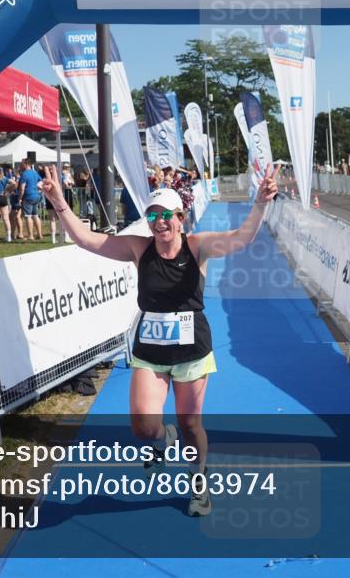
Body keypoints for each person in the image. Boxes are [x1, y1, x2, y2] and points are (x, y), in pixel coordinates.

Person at [39, 163, 278, 517]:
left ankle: (199, 483)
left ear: (181, 218)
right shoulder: (139, 248)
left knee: (191, 425)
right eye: (153, 215)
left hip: (192, 352)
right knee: (144, 427)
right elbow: (87, 240)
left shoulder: (198, 246)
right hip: (150, 352)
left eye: (167, 214)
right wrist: (59, 201)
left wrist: (260, 204)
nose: (160, 221)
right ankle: (162, 439)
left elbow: (242, 238)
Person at [17, 159, 43, 242]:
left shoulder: (24, 174)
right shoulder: (34, 172)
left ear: (26, 164)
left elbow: (22, 188)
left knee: (28, 216)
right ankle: (39, 234)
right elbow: (41, 181)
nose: (20, 166)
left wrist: (20, 198)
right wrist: (39, 190)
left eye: (21, 164)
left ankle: (31, 235)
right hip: (36, 196)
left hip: (28, 197)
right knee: (35, 215)